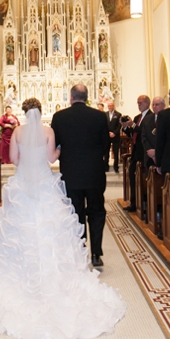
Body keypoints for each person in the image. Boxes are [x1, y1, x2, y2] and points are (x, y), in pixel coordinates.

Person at [0, 97, 126, 339]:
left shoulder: (16, 131)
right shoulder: (48, 131)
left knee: (22, 229)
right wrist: (59, 149)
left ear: (24, 113)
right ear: (41, 111)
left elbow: (13, 160)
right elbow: (52, 159)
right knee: (50, 227)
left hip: (24, 184)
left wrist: (27, 155)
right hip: (45, 185)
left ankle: (21, 275)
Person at [51, 84, 110, 267]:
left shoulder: (59, 117)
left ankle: (79, 248)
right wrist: (102, 164)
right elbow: (106, 144)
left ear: (71, 97)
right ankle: (96, 254)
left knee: (75, 212)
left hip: (71, 174)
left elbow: (55, 145)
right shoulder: (100, 116)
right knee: (96, 212)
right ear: (87, 97)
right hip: (94, 173)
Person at [121, 95, 150, 211]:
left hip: (143, 153)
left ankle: (144, 203)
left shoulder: (150, 117)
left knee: (142, 178)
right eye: (138, 103)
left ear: (147, 103)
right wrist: (125, 127)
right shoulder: (138, 117)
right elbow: (133, 134)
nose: (139, 105)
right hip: (135, 152)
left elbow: (143, 131)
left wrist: (132, 125)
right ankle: (133, 202)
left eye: (141, 103)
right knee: (132, 177)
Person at [142, 96, 165, 170]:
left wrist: (157, 151)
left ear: (163, 105)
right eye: (153, 105)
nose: (154, 107)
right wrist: (150, 151)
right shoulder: (147, 119)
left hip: (163, 156)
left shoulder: (168, 118)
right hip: (149, 156)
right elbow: (144, 137)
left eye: (157, 104)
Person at [106, 101, 122, 172]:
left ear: (113, 106)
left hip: (115, 136)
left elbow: (119, 125)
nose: (110, 107)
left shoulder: (118, 114)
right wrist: (108, 132)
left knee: (115, 152)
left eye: (111, 106)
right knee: (106, 152)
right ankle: (106, 166)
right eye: (109, 106)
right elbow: (104, 124)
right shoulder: (105, 114)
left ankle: (116, 167)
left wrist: (114, 133)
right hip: (107, 136)